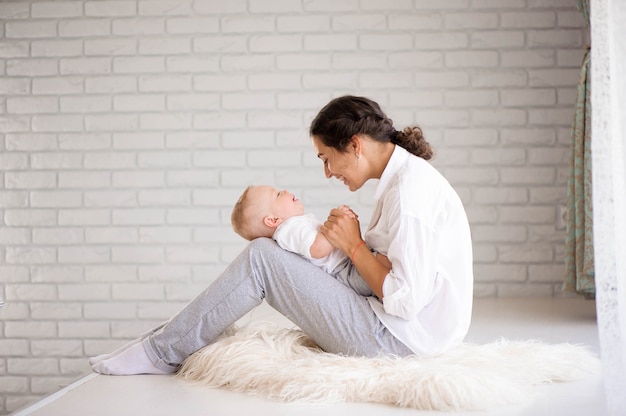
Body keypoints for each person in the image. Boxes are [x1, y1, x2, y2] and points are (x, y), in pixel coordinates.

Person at [90, 95, 474, 375]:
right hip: (403, 332)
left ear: (354, 145)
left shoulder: (410, 193)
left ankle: (160, 352)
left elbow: (405, 301)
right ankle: (161, 341)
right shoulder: (401, 183)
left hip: (400, 342)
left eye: (326, 158)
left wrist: (355, 246)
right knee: (271, 253)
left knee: (261, 256)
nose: (327, 173)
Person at [230, 185, 350, 275]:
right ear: (273, 220)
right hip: (343, 270)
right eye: (277, 195)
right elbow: (318, 249)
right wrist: (337, 226)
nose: (285, 191)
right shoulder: (288, 230)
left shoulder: (292, 227)